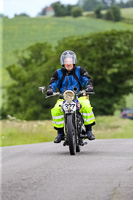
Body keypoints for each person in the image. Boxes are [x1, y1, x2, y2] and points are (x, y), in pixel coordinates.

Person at [46, 50, 96, 143]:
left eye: (70, 61)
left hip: (79, 96)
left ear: (73, 61)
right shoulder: (58, 73)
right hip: (63, 98)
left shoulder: (80, 70)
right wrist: (50, 90)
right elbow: (53, 83)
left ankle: (89, 131)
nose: (68, 64)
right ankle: (60, 134)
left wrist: (89, 87)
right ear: (63, 62)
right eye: (66, 62)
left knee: (86, 106)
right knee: (56, 110)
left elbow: (87, 79)